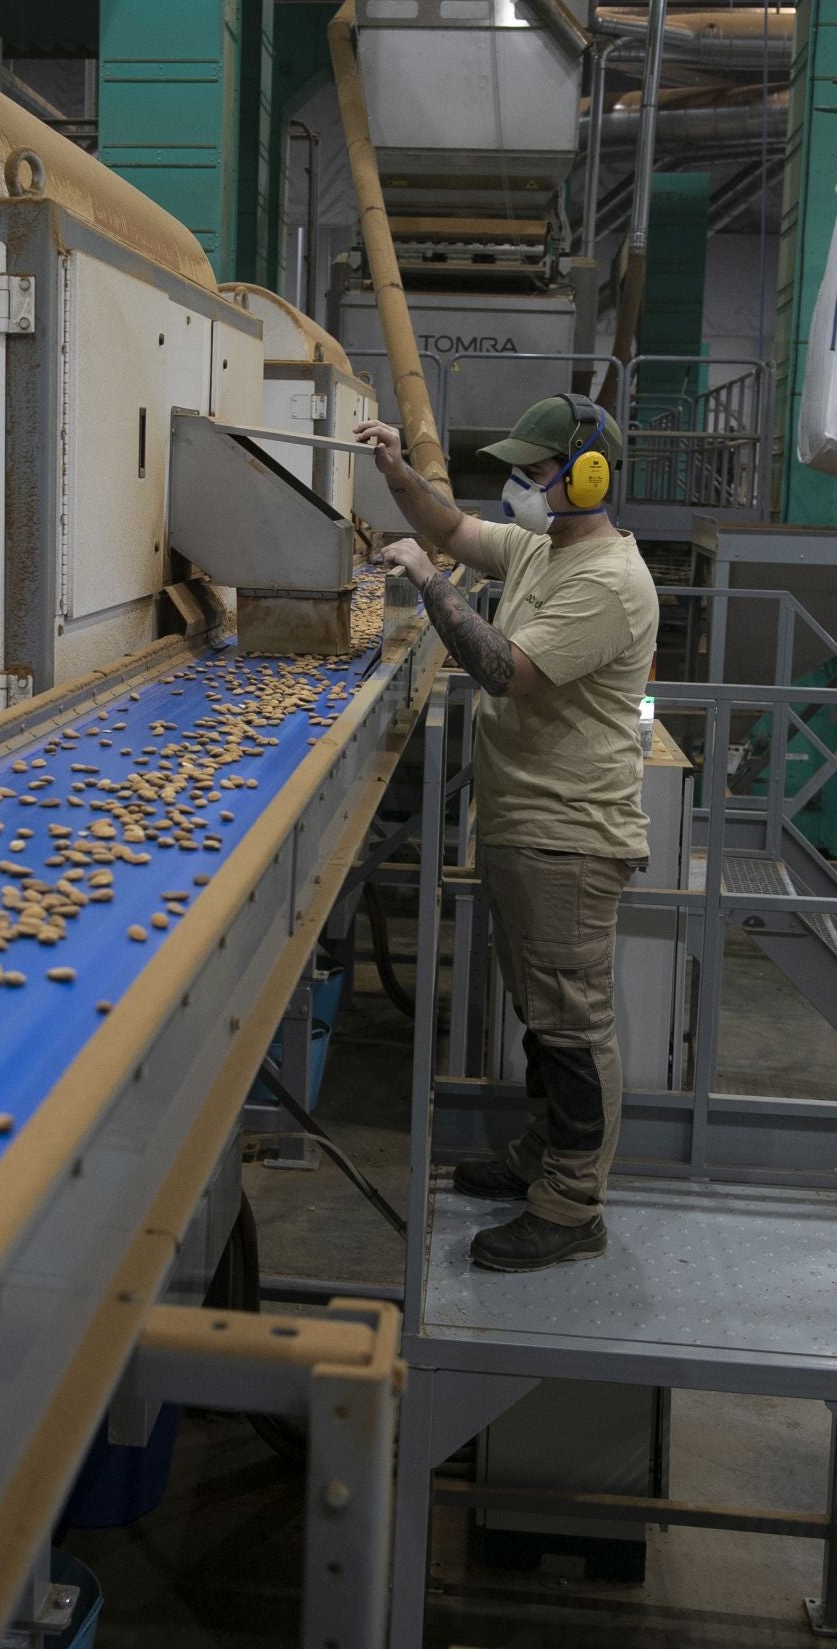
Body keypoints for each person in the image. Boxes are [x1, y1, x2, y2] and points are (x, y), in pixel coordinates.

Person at [353, 397, 658, 1272]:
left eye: (536, 471)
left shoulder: (605, 580)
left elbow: (503, 669)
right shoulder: (543, 548)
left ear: (590, 475)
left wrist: (428, 580)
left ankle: (572, 1205)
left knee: (571, 1022)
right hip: (527, 823)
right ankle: (544, 1154)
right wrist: (395, 473)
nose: (519, 484)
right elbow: (450, 524)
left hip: (569, 836)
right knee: (541, 1009)